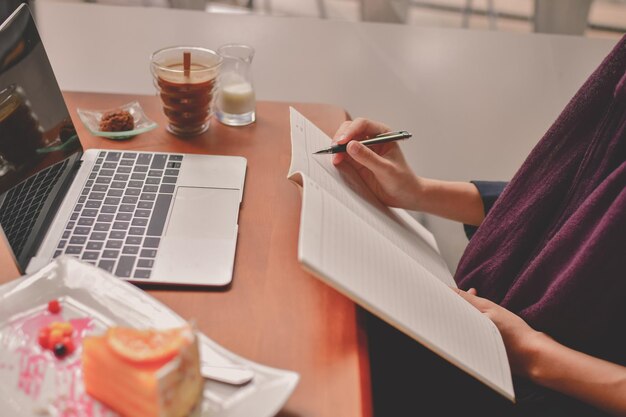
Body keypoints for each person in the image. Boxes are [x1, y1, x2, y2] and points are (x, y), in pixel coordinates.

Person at [331, 35, 626, 417]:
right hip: (505, 338)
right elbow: (581, 206)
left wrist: (533, 354)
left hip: (559, 386)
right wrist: (417, 192)